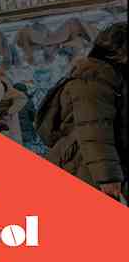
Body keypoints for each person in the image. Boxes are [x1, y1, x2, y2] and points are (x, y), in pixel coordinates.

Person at [36, 22, 128, 202]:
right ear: (119, 51)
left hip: (94, 162)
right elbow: (94, 129)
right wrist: (108, 177)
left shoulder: (112, 75)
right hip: (85, 165)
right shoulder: (93, 77)